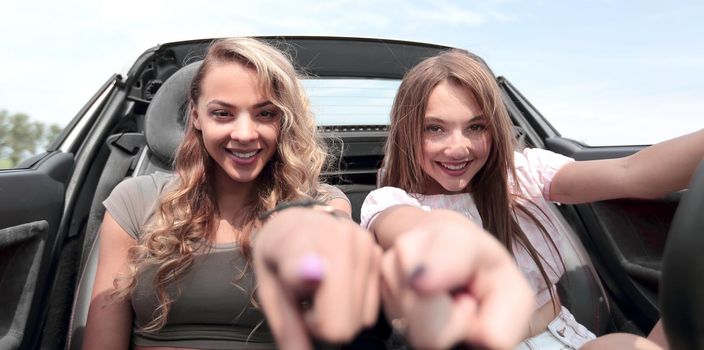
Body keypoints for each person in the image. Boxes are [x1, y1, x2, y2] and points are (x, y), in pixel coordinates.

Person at [361, 49, 704, 349]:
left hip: (568, 337)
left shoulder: (524, 173)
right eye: (434, 128)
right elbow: (411, 229)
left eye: (476, 127)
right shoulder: (389, 201)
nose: (458, 147)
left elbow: (632, 172)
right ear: (407, 130)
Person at [82, 37, 382, 350]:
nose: (244, 134)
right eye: (223, 114)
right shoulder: (134, 200)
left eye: (265, 114)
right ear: (196, 116)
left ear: (284, 120)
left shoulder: (322, 203)